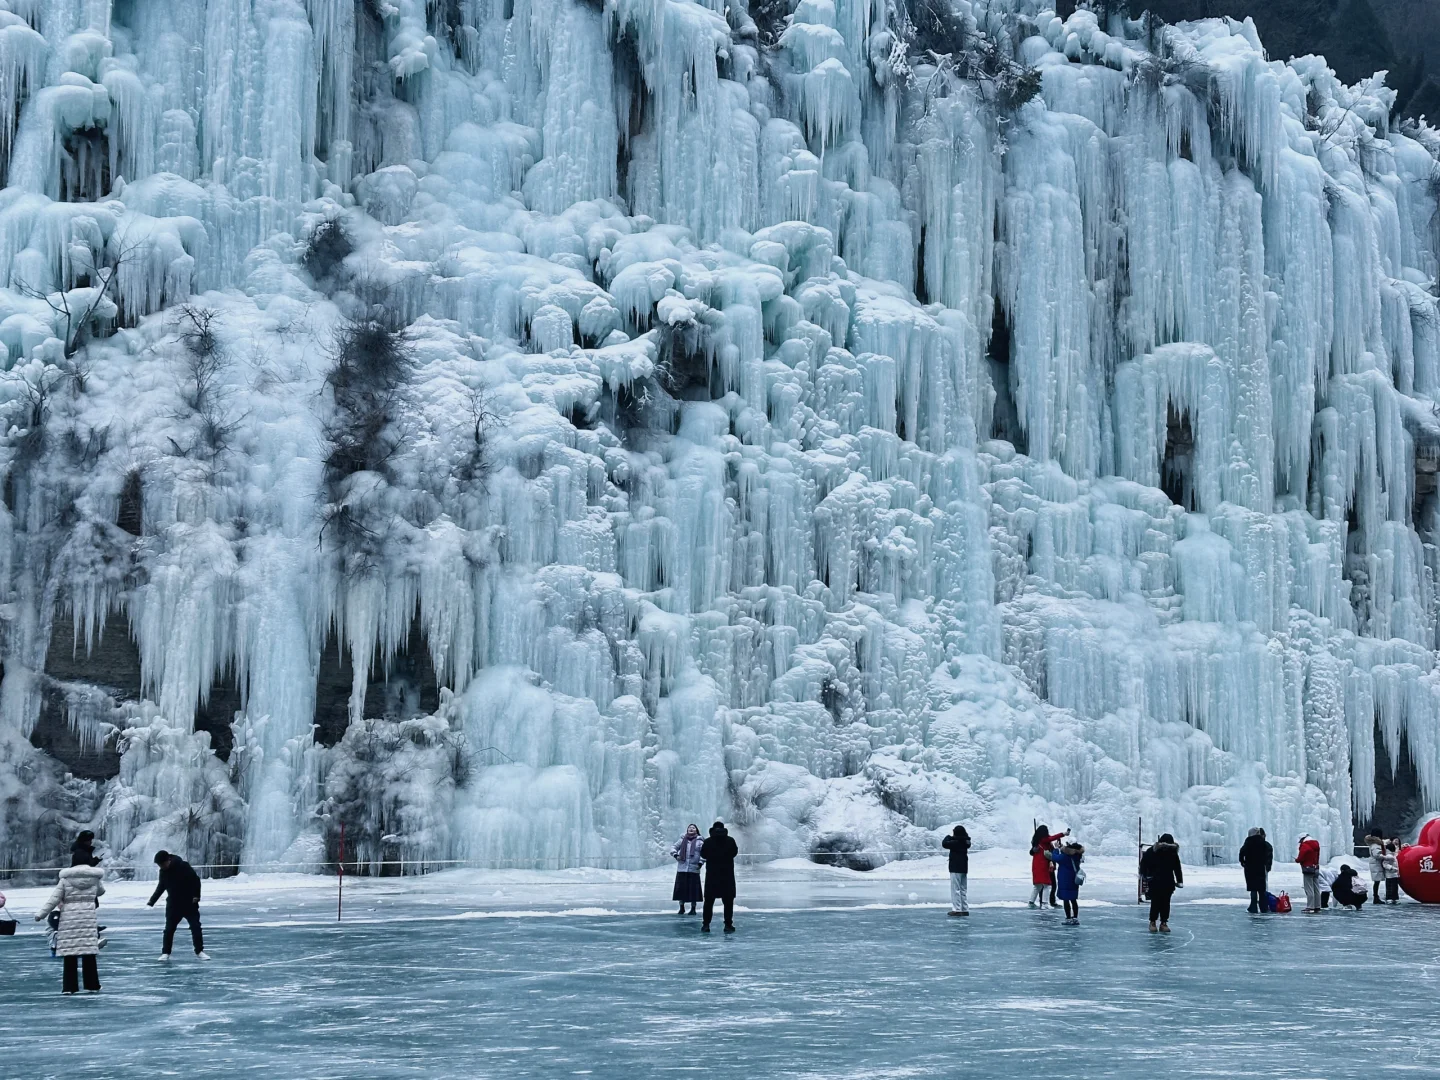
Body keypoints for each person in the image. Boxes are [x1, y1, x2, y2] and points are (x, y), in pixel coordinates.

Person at [33, 852, 106, 993]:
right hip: (87, 919)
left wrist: (41, 914)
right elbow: (101, 892)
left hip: (69, 920)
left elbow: (54, 899)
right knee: (89, 953)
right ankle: (92, 985)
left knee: (70, 954)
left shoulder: (65, 880)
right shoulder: (95, 878)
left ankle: (69, 987)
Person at [148, 851, 209, 961]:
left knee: (196, 927)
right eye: (159, 865)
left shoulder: (183, 866)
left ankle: (199, 951)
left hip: (189, 903)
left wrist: (196, 895)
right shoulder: (163, 872)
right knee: (169, 930)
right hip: (173, 904)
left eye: (162, 864)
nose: (161, 867)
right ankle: (165, 953)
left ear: (168, 860)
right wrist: (151, 902)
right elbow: (161, 887)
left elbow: (196, 880)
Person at [1139, 833, 1183, 932]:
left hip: (1165, 882)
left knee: (1162, 903)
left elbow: (1177, 867)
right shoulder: (1154, 852)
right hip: (1158, 882)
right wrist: (1179, 881)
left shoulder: (1171, 853)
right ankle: (1157, 922)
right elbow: (1144, 865)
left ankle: (1159, 922)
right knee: (1160, 903)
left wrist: (1145, 875)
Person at [699, 822, 738, 933]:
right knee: (728, 902)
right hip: (727, 875)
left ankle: (706, 925)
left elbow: (703, 855)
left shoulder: (708, 841)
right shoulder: (730, 840)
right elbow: (734, 852)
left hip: (712, 875)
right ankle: (728, 925)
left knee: (709, 902)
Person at [1047, 840, 1085, 925]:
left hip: (1064, 880)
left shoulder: (1064, 857)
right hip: (1074, 880)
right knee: (1073, 900)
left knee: (1066, 900)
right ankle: (1075, 918)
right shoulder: (1077, 856)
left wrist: (1056, 849)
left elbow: (1054, 857)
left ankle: (1068, 918)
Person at [1029, 825, 1066, 908]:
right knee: (1047, 884)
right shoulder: (1043, 841)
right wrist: (1063, 834)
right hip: (1044, 865)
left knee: (1038, 885)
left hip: (1040, 865)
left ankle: (1032, 902)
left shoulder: (1037, 841)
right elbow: (1051, 838)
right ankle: (1045, 903)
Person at [670, 824, 704, 915]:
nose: (691, 829)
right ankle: (682, 907)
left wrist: (700, 863)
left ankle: (693, 908)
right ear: (687, 830)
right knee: (681, 889)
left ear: (696, 830)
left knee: (693, 890)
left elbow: (704, 854)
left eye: (693, 828)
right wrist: (676, 855)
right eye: (689, 828)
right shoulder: (682, 840)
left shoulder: (700, 841)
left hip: (694, 868)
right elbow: (673, 847)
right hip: (682, 868)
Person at [1238, 827, 1273, 913]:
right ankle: (1263, 907)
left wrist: (1243, 862)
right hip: (1260, 868)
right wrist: (1268, 866)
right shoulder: (1264, 843)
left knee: (1253, 888)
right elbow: (1269, 855)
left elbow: (1241, 853)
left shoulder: (1247, 842)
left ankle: (1253, 907)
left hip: (1250, 868)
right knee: (1261, 889)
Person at [942, 825, 971, 916]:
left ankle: (957, 909)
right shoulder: (966, 842)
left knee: (955, 889)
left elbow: (944, 843)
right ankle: (964, 908)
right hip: (963, 868)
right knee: (963, 889)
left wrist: (948, 836)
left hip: (955, 868)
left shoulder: (956, 842)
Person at [1296, 834, 1321, 913]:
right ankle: (1317, 906)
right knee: (1316, 888)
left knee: (1309, 888)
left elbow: (1301, 857)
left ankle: (1310, 906)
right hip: (1315, 867)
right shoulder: (1316, 844)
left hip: (1307, 868)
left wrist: (1297, 860)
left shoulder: (1305, 846)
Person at [1365, 832, 1385, 904]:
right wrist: (1385, 857)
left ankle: (1376, 897)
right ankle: (1376, 897)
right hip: (1376, 864)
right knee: (1377, 881)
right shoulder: (1376, 844)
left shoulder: (1373, 844)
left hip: (1375, 863)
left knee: (1377, 881)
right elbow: (1377, 855)